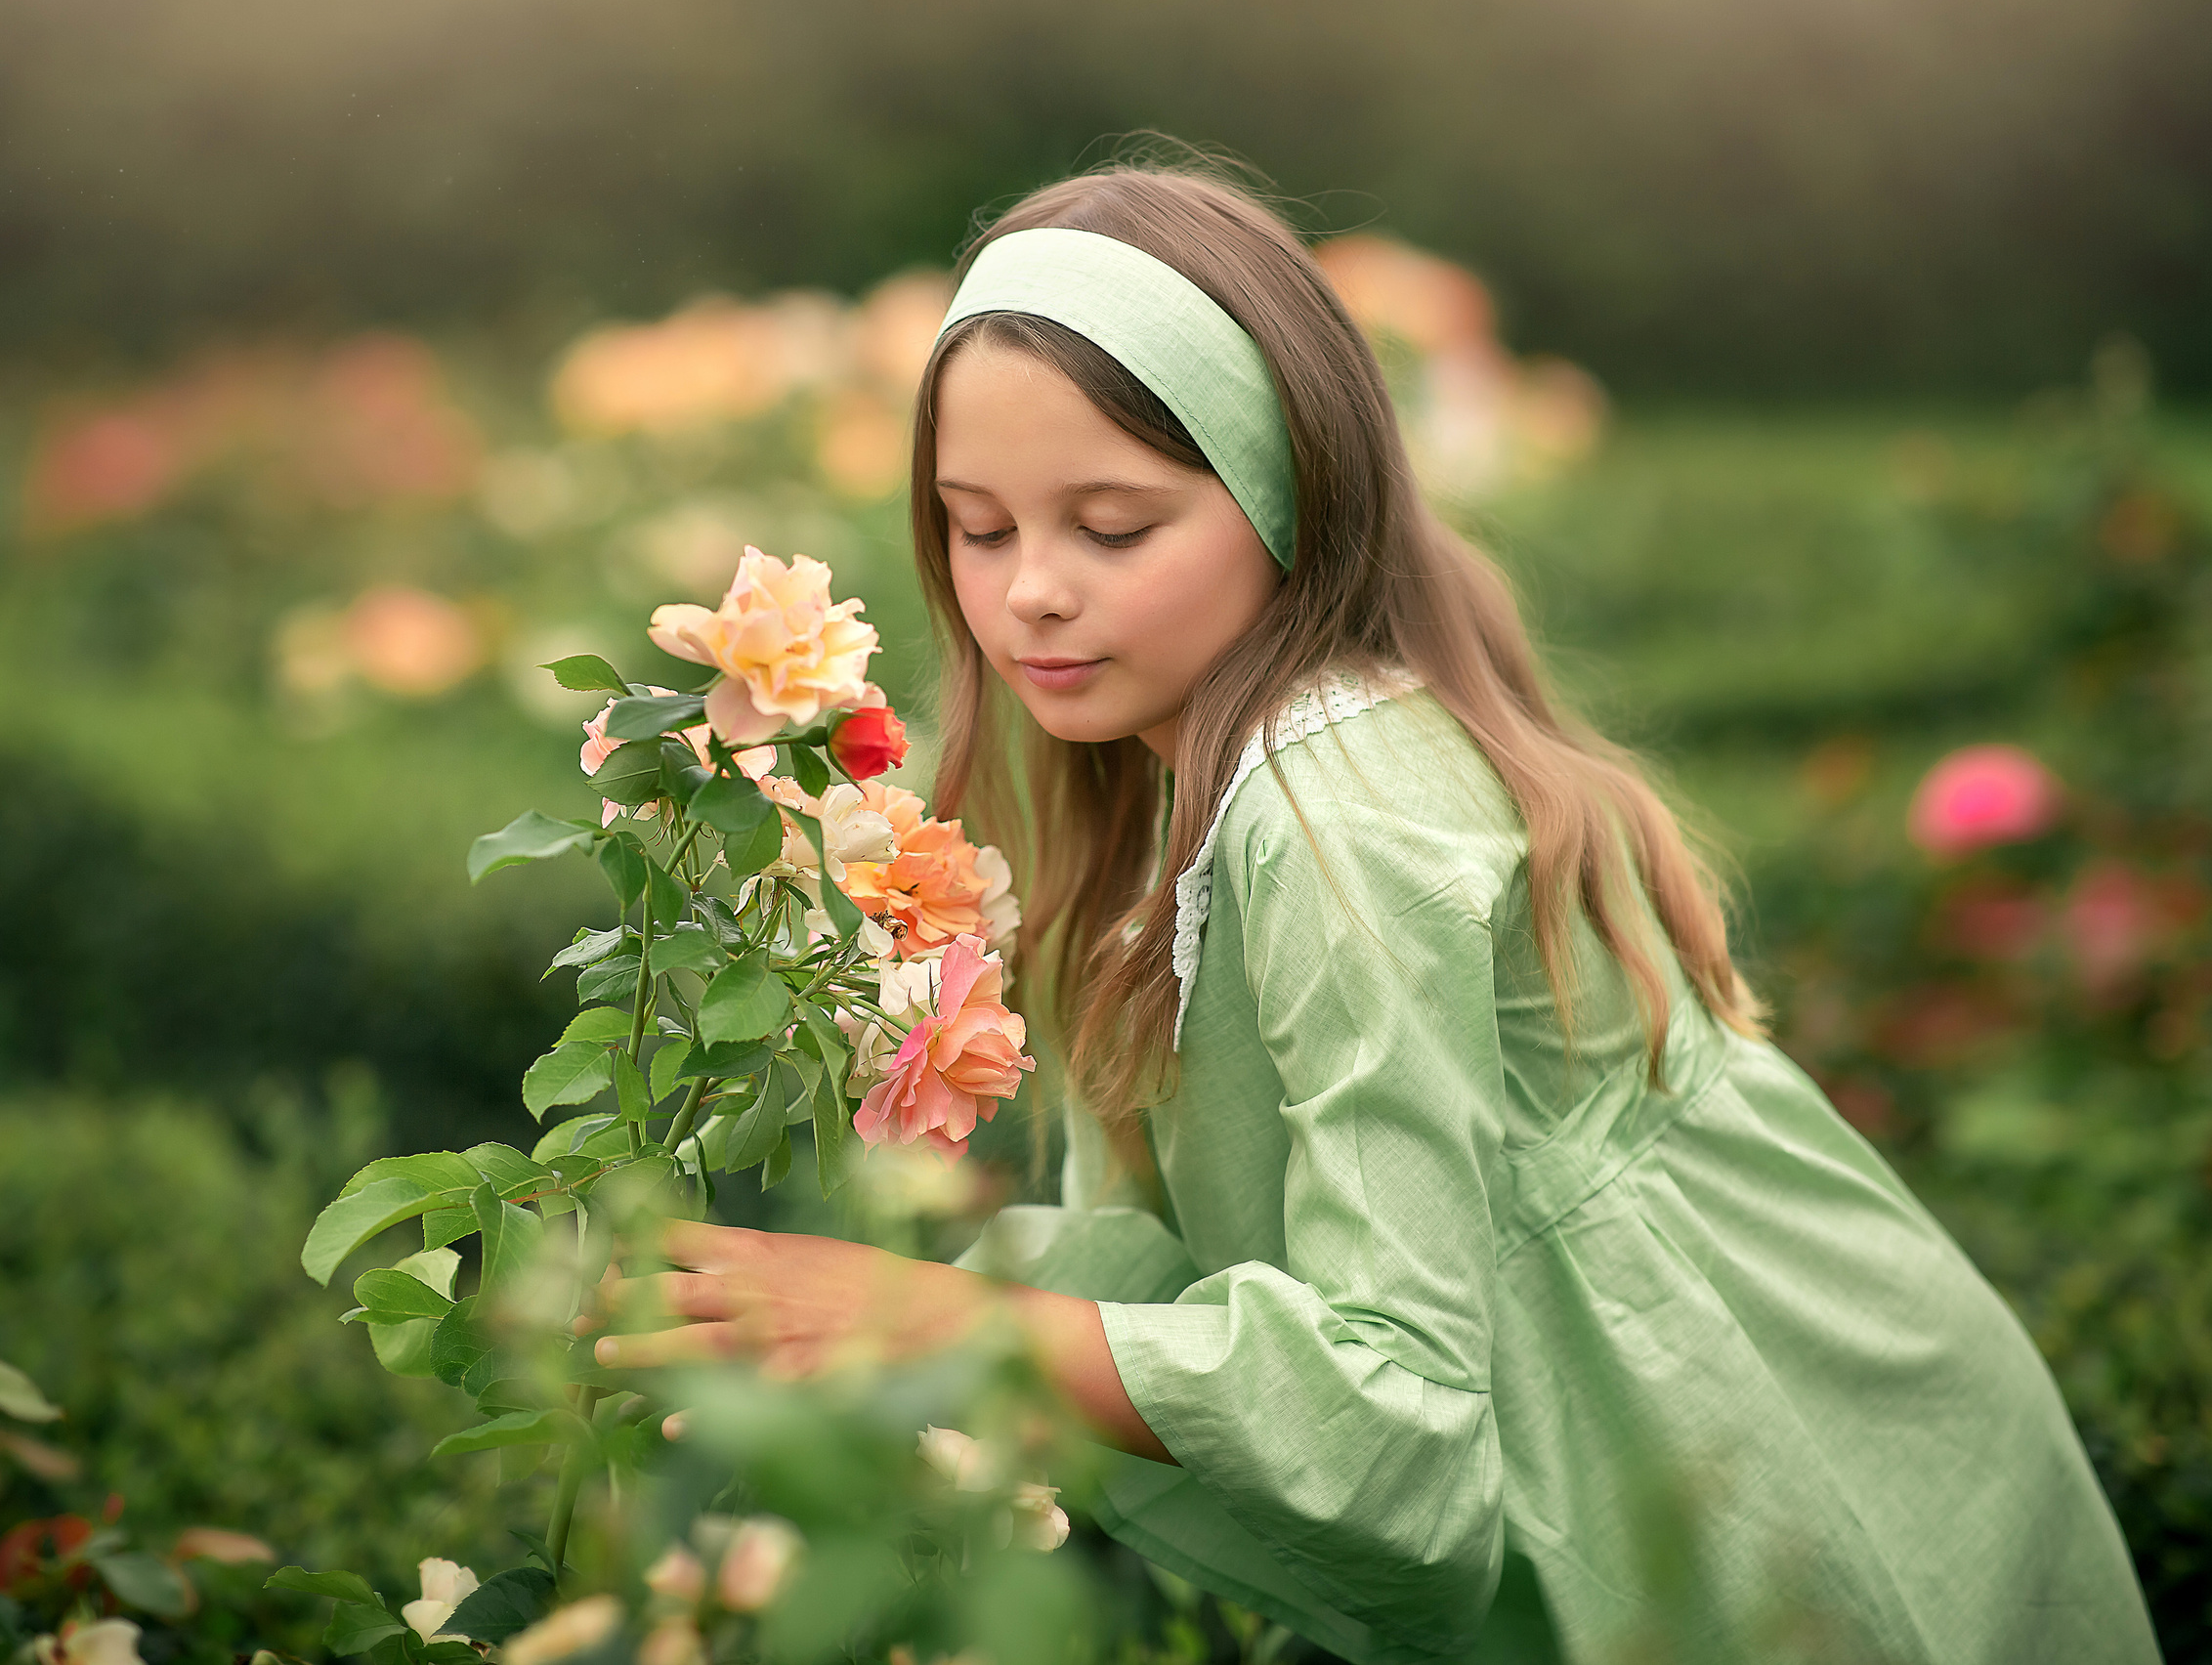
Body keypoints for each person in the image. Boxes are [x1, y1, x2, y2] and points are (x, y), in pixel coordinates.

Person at [588, 156, 2162, 1663]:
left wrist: (935, 1320)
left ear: (1291, 501)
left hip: (1774, 1468)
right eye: (977, 527)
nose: (1029, 594)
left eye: (1114, 526)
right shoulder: (1161, 769)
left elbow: (1387, 1388)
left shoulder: (1336, 815)